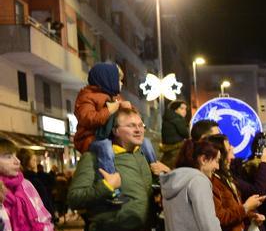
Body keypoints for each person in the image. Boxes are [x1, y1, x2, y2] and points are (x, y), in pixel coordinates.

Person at [72, 62, 157, 204]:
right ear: (107, 79)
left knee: (146, 143)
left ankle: (156, 173)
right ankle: (113, 187)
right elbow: (89, 119)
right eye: (118, 80)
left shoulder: (116, 97)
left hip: (110, 136)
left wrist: (130, 108)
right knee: (105, 147)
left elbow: (131, 115)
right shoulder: (86, 96)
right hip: (92, 138)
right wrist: (111, 109)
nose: (121, 83)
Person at [16, 149, 56, 221]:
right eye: (33, 160)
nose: (36, 163)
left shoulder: (29, 177)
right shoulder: (32, 179)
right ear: (27, 162)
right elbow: (43, 199)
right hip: (38, 217)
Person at [161, 100, 190, 168]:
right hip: (176, 146)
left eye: (185, 109)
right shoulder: (177, 118)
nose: (184, 111)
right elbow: (185, 133)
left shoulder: (168, 118)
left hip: (167, 147)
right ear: (175, 109)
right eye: (182, 108)